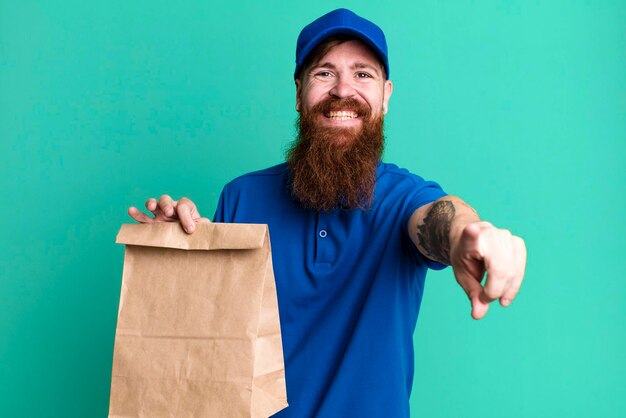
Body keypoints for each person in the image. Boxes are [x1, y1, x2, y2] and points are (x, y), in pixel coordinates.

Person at [128, 8, 526, 418]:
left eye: (363, 74)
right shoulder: (241, 198)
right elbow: (205, 343)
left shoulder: (402, 197)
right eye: (324, 73)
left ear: (386, 96)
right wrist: (175, 253)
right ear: (299, 92)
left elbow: (440, 218)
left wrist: (467, 235)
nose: (343, 90)